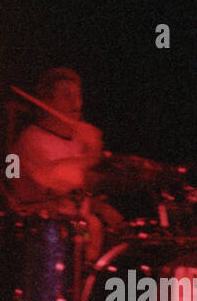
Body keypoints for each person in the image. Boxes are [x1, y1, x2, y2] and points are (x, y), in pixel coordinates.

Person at [8, 68, 117, 265]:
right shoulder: (31, 141)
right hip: (50, 237)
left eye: (79, 96)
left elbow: (76, 194)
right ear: (46, 103)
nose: (77, 104)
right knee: (90, 227)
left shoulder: (76, 141)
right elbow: (61, 184)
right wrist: (93, 152)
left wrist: (100, 207)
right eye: (67, 97)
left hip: (78, 231)